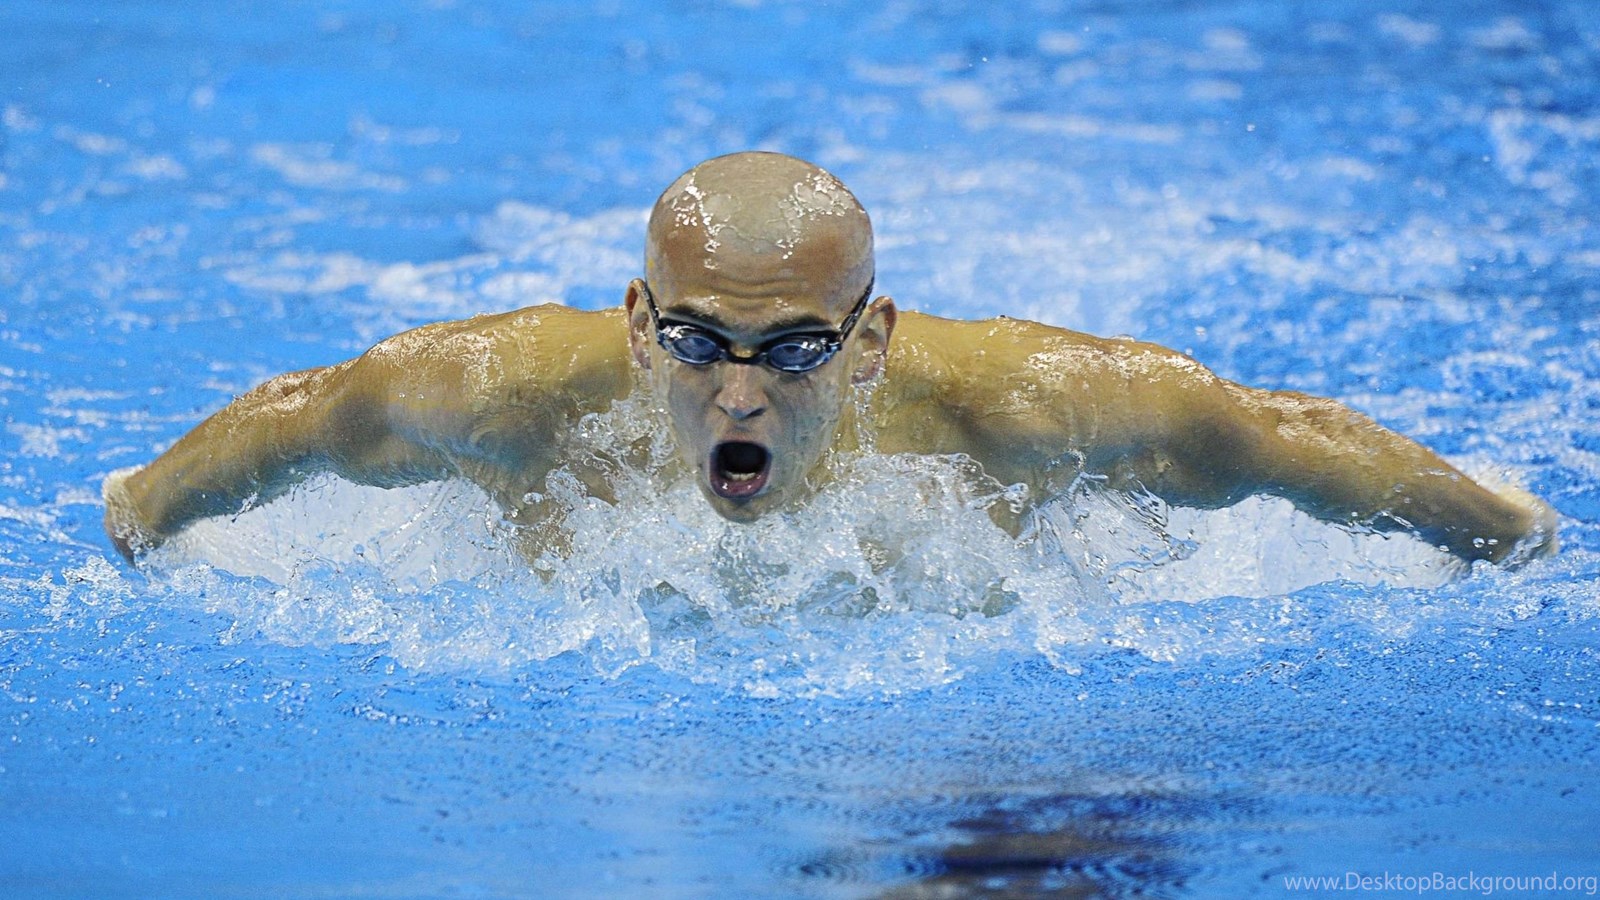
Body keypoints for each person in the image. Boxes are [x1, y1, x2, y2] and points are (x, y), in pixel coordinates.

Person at [103, 151, 1557, 567]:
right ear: (637, 327)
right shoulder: (500, 396)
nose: (739, 392)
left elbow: (1263, 436)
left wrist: (1501, 527)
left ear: (872, 343)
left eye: (795, 349)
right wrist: (142, 512)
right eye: (697, 345)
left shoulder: (1014, 412)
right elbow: (311, 414)